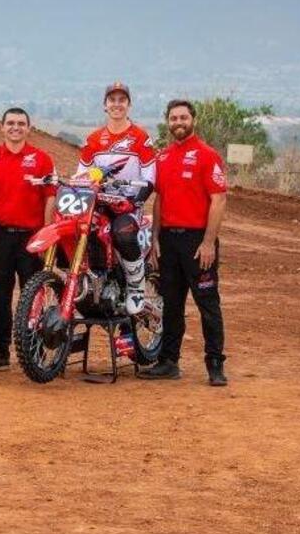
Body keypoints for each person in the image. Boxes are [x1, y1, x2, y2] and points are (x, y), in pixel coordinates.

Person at [141, 99, 228, 385]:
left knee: (207, 303)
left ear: (193, 120)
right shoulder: (163, 157)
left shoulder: (207, 155)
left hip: (197, 242)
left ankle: (215, 365)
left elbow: (218, 199)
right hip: (168, 240)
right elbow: (160, 200)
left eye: (183, 117)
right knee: (171, 304)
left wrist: (208, 242)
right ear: (168, 122)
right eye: (174, 118)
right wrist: (154, 238)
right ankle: (169, 362)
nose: (178, 122)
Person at [0, 107, 56, 371]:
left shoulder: (42, 159)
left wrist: (45, 236)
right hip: (0, 236)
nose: (15, 127)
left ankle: (35, 352)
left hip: (32, 238)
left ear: (28, 128)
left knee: (34, 296)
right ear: (2, 127)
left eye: (21, 123)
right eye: (10, 123)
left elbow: (50, 198)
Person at [77, 81, 156, 315]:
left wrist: (135, 202)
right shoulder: (93, 139)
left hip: (129, 204)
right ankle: (93, 281)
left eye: (122, 100)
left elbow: (150, 177)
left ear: (129, 105)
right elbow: (81, 174)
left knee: (123, 233)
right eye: (112, 100)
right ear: (105, 105)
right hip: (99, 202)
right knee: (82, 230)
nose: (117, 104)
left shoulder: (140, 137)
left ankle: (136, 285)